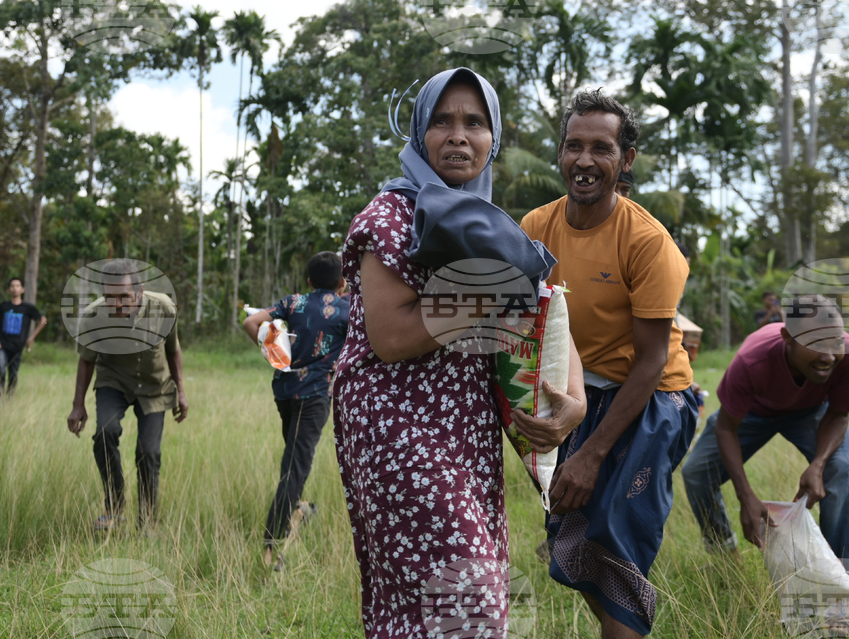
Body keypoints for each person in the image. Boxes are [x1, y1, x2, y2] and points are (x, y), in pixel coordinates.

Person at [332, 67, 585, 637]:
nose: (458, 136)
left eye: (474, 122)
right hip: (397, 430)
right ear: (419, 132)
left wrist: (576, 399)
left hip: (466, 431)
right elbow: (390, 338)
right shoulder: (391, 214)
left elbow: (543, 309)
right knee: (468, 599)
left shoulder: (488, 226)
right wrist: (487, 292)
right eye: (442, 121)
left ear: (493, 138)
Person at [519, 89, 697, 638]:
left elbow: (650, 362)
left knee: (617, 543)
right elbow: (525, 331)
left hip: (652, 400)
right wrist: (533, 437)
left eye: (602, 148)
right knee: (574, 536)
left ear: (626, 159)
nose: (585, 160)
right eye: (574, 145)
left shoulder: (648, 242)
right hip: (575, 395)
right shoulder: (535, 228)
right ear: (560, 152)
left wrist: (591, 455)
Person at [681, 295, 849, 564]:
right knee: (696, 472)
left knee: (839, 470)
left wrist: (818, 464)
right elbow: (726, 428)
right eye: (815, 343)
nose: (828, 356)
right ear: (788, 337)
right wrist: (745, 496)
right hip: (754, 412)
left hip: (812, 411)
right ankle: (726, 557)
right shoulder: (751, 360)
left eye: (836, 341)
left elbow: (839, 414)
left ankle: (845, 575)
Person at [243, 251, 350, 570]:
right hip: (314, 396)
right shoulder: (348, 309)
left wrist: (272, 352)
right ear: (343, 282)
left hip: (285, 391)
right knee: (295, 467)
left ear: (309, 281)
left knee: (293, 457)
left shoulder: (293, 302)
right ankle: (271, 547)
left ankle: (299, 508)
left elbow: (251, 322)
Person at [66, 259, 188, 530]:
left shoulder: (164, 309)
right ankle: (114, 507)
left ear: (140, 291)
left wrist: (181, 391)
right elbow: (86, 360)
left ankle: (147, 522)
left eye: (124, 296)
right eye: (110, 297)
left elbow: (173, 350)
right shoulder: (93, 316)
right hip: (114, 381)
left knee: (148, 452)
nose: (117, 304)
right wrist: (78, 405)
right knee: (104, 433)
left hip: (154, 386)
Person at [0, 277, 47, 398]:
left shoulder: (28, 308)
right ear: (8, 290)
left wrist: (32, 337)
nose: (15, 289)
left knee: (13, 374)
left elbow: (43, 320)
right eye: (12, 286)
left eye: (17, 286)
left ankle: (10, 398)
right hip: (2, 345)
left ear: (22, 289)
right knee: (1, 371)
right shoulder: (2, 307)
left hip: (18, 346)